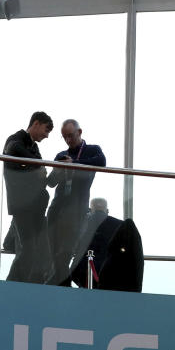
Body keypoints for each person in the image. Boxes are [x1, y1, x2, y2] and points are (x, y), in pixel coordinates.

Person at [45, 119, 106, 286]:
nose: (68, 140)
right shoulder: (61, 155)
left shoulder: (92, 150)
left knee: (64, 252)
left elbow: (102, 163)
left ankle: (57, 285)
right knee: (54, 251)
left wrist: (75, 164)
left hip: (76, 209)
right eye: (64, 137)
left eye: (70, 136)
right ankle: (61, 285)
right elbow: (50, 182)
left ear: (79, 132)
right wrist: (58, 169)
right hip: (56, 207)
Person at [3, 111, 53, 284]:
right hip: (22, 205)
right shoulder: (16, 140)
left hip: (35, 206)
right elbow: (13, 150)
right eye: (46, 130)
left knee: (39, 249)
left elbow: (40, 171)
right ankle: (13, 284)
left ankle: (29, 282)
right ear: (36, 123)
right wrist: (38, 167)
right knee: (28, 248)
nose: (46, 136)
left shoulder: (32, 147)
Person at [69, 197, 122, 288]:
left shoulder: (80, 223)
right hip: (110, 270)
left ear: (90, 209)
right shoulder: (120, 224)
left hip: (82, 268)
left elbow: (72, 245)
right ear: (107, 210)